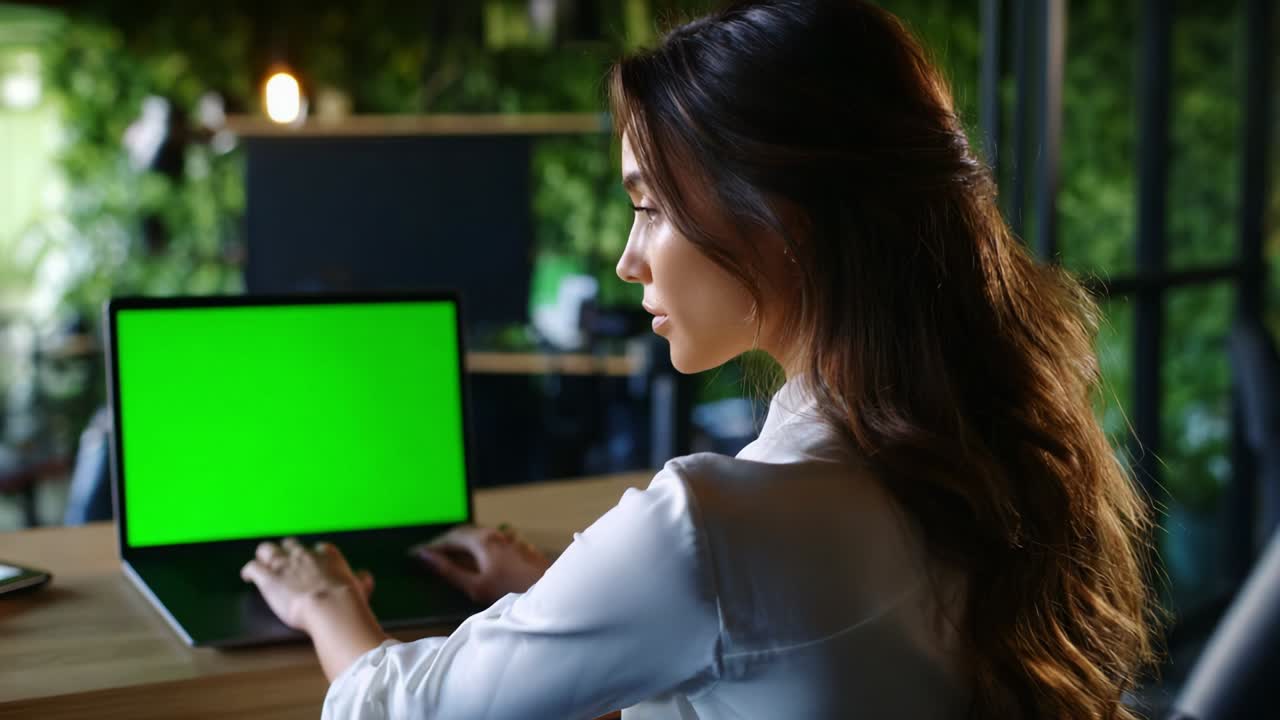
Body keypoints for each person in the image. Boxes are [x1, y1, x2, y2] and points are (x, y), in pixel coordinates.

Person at [240, 1, 1158, 717]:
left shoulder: (708, 532)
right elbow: (781, 632)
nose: (626, 258)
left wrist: (326, 601)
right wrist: (572, 596)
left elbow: (398, 710)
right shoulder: (991, 451)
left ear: (779, 218)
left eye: (650, 206)